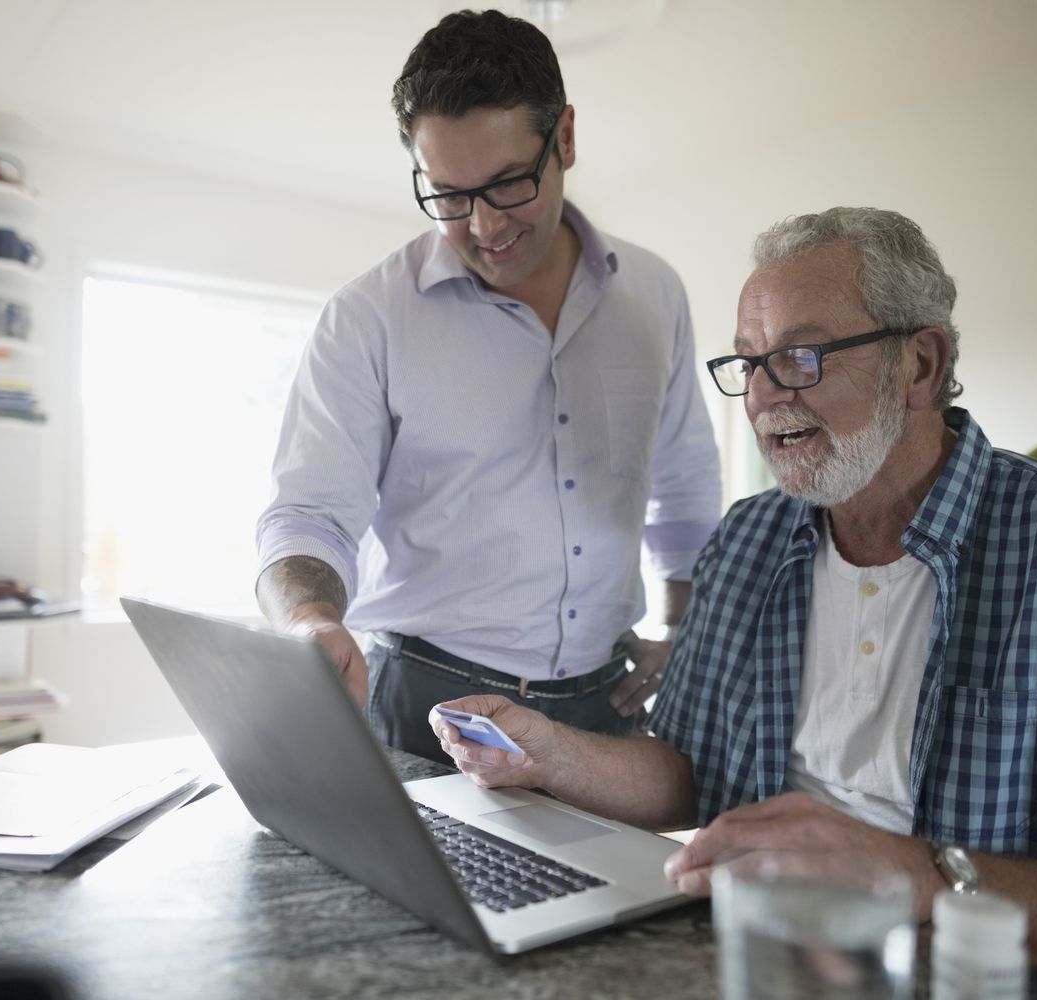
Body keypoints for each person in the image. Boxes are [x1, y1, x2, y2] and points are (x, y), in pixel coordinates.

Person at [430, 207, 1037, 973]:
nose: (761, 397)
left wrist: (919, 876)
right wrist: (551, 754)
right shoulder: (750, 536)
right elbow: (688, 771)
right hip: (755, 956)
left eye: (799, 357)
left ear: (921, 365)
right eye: (749, 363)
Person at [254, 9, 722, 762]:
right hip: (424, 703)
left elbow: (684, 483)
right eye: (448, 195)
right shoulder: (368, 316)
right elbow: (307, 514)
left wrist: (684, 633)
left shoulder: (654, 294)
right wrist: (309, 619)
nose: (482, 226)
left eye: (507, 185)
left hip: (606, 708)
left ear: (564, 138)